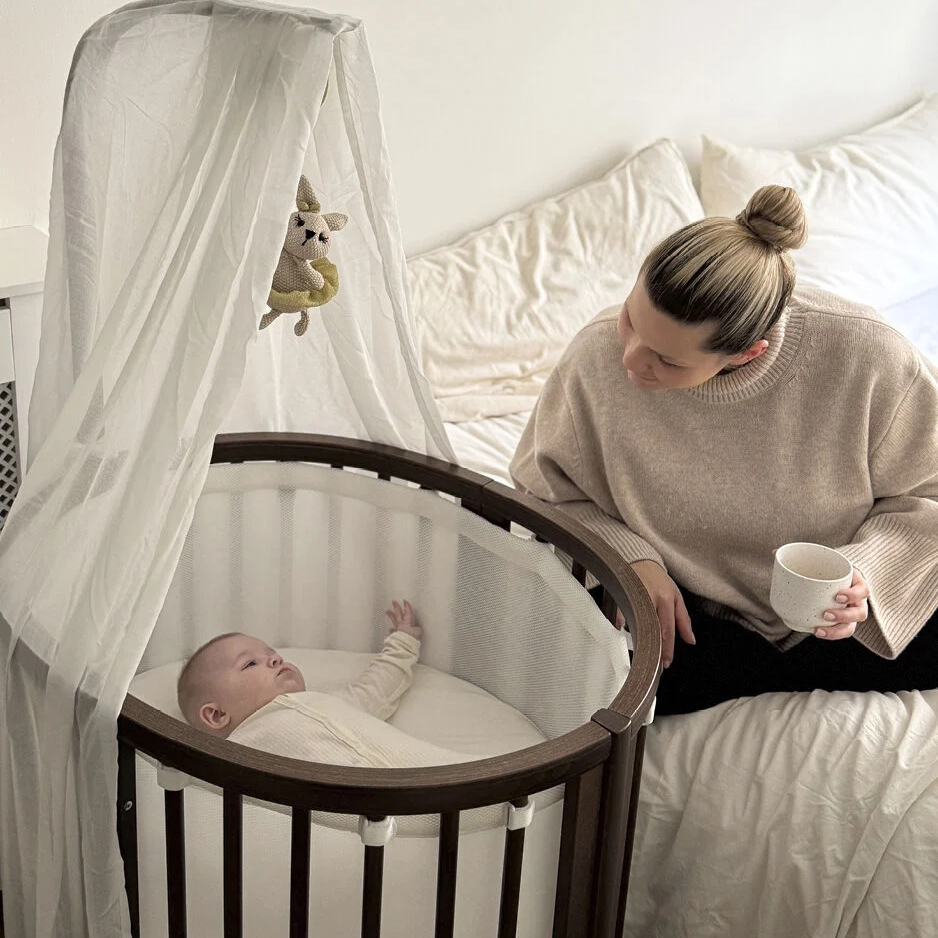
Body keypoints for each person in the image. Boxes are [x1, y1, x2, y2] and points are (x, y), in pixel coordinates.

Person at [510, 185, 938, 716]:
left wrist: (863, 577)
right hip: (689, 611)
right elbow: (541, 490)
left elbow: (929, 493)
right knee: (565, 679)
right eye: (630, 320)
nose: (630, 360)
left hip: (833, 618)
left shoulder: (869, 357)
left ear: (746, 354)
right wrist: (630, 558)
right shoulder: (597, 355)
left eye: (667, 360)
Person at [176, 600, 472, 767]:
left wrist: (403, 641)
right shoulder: (240, 753)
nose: (275, 659)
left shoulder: (331, 702)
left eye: (272, 653)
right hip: (369, 817)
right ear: (217, 715)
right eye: (250, 664)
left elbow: (377, 687)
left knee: (475, 776)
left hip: (429, 771)